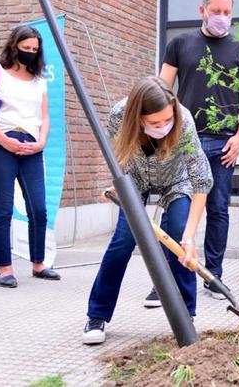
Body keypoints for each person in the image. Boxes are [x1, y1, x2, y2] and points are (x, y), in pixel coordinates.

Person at [82, 76, 213, 345]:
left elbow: (201, 180)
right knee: (123, 241)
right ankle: (97, 315)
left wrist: (190, 237)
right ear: (138, 117)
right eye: (155, 123)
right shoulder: (120, 115)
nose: (164, 127)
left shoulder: (184, 121)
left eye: (168, 121)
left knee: (177, 236)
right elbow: (118, 155)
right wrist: (117, 184)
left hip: (178, 180)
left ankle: (186, 316)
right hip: (136, 180)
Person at [153, 0, 239, 304]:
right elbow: (161, 91)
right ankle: (166, 282)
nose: (222, 17)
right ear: (202, 11)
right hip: (185, 141)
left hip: (224, 144)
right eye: (216, 12)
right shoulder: (180, 44)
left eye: (227, 12)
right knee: (177, 210)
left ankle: (214, 276)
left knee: (218, 209)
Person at [0, 25, 58, 288]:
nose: (31, 53)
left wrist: (41, 143)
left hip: (31, 146)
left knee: (39, 208)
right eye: (26, 48)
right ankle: (4, 268)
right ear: (14, 46)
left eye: (35, 49)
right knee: (4, 208)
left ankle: (38, 263)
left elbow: (44, 116)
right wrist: (3, 140)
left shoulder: (39, 80)